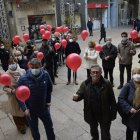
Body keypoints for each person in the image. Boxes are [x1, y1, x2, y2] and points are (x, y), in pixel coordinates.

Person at [73, 64, 117, 140]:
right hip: (91, 114)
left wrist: (113, 115)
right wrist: (77, 97)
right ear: (90, 73)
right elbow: (80, 94)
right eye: (93, 72)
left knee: (105, 135)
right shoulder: (85, 84)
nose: (95, 74)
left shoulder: (107, 83)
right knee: (94, 132)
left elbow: (112, 100)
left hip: (104, 114)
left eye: (97, 72)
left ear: (101, 72)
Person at [16, 58, 55, 140]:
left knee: (49, 128)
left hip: (43, 109)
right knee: (34, 130)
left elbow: (49, 88)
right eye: (32, 67)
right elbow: (18, 94)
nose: (34, 69)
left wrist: (48, 101)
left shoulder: (46, 75)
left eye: (36, 67)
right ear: (29, 67)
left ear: (40, 67)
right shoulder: (23, 79)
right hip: (30, 111)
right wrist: (24, 109)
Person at [3, 58, 28, 134]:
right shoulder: (6, 74)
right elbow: (4, 87)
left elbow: (27, 80)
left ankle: (27, 123)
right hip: (13, 96)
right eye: (10, 64)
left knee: (25, 110)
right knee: (16, 113)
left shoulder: (22, 71)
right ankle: (20, 127)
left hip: (23, 95)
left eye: (13, 63)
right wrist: (11, 91)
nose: (12, 65)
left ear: (16, 63)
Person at [118, 67, 140, 140]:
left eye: (138, 73)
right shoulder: (128, 85)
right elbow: (121, 98)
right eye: (135, 73)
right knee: (129, 134)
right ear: (132, 74)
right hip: (131, 115)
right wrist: (129, 108)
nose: (137, 75)